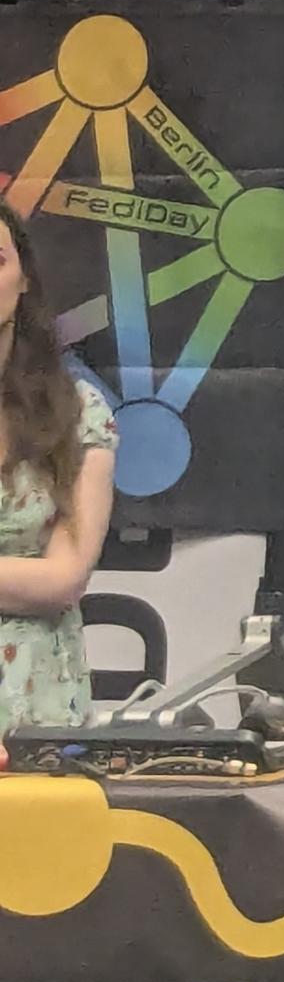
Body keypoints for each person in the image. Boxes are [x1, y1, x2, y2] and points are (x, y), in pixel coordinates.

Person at [0, 198, 116, 739]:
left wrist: (43, 581)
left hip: (36, 714)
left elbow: (64, 578)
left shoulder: (77, 412)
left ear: (23, 279)